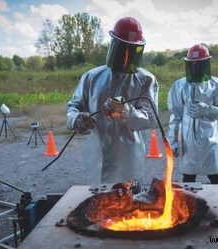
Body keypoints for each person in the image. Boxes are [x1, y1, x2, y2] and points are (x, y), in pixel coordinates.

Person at [66, 17, 159, 184]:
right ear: (113, 45)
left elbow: (149, 119)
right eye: (122, 48)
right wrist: (77, 119)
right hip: (97, 159)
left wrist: (125, 111)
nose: (125, 56)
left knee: (128, 205)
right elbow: (73, 107)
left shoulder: (146, 80)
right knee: (96, 205)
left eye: (131, 51)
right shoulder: (92, 77)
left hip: (128, 162)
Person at [167, 44, 218, 184]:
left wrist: (208, 109)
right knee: (188, 180)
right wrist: (173, 141)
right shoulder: (180, 86)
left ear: (206, 64)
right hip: (188, 142)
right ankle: (187, 206)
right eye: (193, 65)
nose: (196, 68)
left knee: (216, 180)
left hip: (211, 140)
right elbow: (175, 116)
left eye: (199, 65)